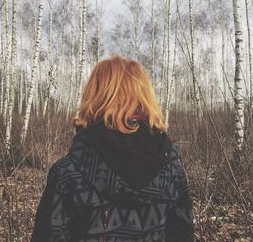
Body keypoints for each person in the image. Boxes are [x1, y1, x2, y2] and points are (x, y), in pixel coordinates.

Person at [31, 55, 194, 241]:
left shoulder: (67, 173)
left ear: (95, 96)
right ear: (145, 98)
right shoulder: (171, 169)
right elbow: (183, 233)